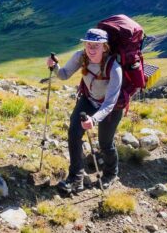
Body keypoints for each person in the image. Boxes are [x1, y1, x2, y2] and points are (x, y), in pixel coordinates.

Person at [46, 28, 123, 193]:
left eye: (96, 45)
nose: (91, 49)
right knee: (74, 133)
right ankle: (76, 179)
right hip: (88, 100)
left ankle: (110, 174)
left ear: (105, 47)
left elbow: (110, 103)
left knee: (105, 143)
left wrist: (93, 120)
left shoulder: (114, 68)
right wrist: (55, 67)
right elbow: (64, 75)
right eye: (88, 44)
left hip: (111, 108)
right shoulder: (80, 56)